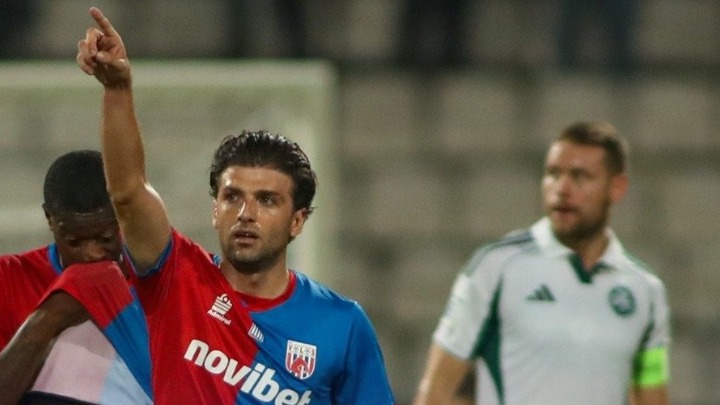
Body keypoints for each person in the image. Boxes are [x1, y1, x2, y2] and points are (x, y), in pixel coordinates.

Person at [77, 7, 395, 404]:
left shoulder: (341, 326)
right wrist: (117, 89)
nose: (246, 213)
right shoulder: (177, 278)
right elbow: (127, 194)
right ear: (215, 210)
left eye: (267, 200)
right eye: (232, 197)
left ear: (297, 221)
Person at [413, 121, 670, 405]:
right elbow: (435, 392)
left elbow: (651, 396)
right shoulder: (496, 268)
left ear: (616, 187)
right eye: (553, 174)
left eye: (580, 176)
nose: (562, 188)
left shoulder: (646, 290)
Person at [0, 150, 152, 404]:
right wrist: (49, 318)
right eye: (74, 241)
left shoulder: (160, 282)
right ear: (50, 219)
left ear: (122, 217)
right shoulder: (8, 280)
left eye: (105, 238)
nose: (92, 254)